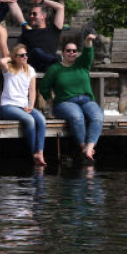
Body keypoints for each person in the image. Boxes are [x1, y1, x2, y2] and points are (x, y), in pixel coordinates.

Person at [39, 32, 102, 162]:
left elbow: (88, 52)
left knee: (97, 116)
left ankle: (89, 147)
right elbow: (44, 87)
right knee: (77, 116)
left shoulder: (82, 64)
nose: (71, 53)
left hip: (85, 99)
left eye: (74, 51)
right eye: (68, 51)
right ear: (62, 53)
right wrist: (50, 101)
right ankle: (82, 146)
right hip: (64, 102)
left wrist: (88, 40)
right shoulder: (55, 69)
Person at [0, 43, 47, 166]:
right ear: (15, 57)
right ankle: (34, 152)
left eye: (26, 55)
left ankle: (40, 152)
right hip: (8, 106)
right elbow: (1, 61)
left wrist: (31, 105)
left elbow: (32, 90)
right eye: (22, 55)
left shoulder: (30, 70)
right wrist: (12, 57)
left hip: (24, 105)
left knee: (41, 120)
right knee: (30, 120)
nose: (25, 57)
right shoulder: (8, 69)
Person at [20, 0, 65, 73]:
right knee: (36, 51)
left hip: (48, 65)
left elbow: (60, 8)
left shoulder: (53, 30)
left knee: (52, 65)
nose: (31, 16)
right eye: (30, 14)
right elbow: (17, 14)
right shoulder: (28, 31)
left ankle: (53, 62)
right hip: (33, 64)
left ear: (43, 16)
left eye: (34, 14)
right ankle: (55, 61)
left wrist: (42, 0)